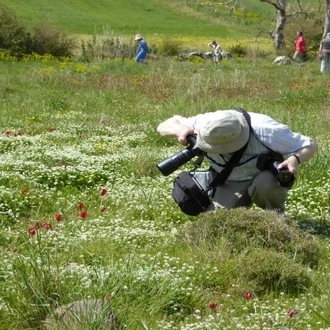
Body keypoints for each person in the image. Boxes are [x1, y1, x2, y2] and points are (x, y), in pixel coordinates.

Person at [157, 109, 317, 213]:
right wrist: (180, 130)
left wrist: (294, 159)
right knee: (220, 226)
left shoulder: (266, 129)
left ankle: (276, 217)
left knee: (265, 184)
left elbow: (310, 145)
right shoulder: (206, 124)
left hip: (262, 175)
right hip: (228, 180)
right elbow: (164, 124)